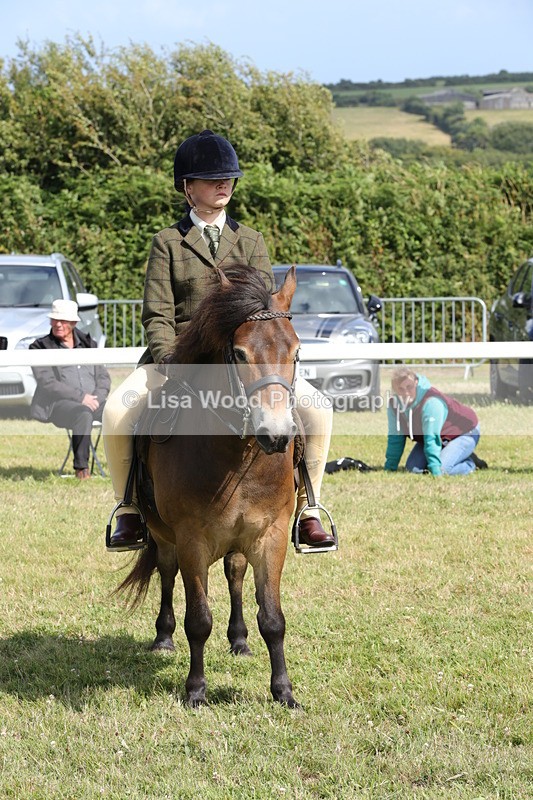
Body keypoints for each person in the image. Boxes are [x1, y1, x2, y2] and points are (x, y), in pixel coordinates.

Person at [103, 129, 335, 551]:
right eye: (212, 179)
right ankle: (129, 509)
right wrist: (173, 361)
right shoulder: (168, 243)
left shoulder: (251, 241)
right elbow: (157, 314)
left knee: (318, 410)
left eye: (228, 178)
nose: (223, 185)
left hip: (246, 363)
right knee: (117, 409)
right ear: (188, 188)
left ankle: (309, 509)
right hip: (177, 360)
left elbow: (267, 312)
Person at [30, 299, 111, 479]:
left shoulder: (90, 343)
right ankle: (82, 470)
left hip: (94, 402)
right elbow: (47, 382)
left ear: (74, 323)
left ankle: (127, 464)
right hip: (59, 405)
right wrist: (82, 398)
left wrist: (97, 398)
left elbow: (103, 377)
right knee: (83, 413)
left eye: (64, 320)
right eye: (55, 320)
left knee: (118, 412)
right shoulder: (39, 347)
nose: (58, 324)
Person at [384, 367, 487, 476]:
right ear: (394, 389)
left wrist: (436, 470)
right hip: (439, 438)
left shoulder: (431, 402)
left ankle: (471, 464)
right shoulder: (394, 405)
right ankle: (454, 455)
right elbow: (395, 438)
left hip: (464, 432)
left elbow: (431, 438)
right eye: (400, 389)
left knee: (443, 469)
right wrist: (390, 468)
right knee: (413, 469)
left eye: (409, 387)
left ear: (416, 382)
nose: (406, 393)